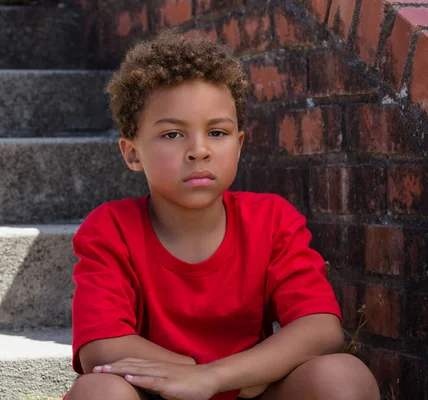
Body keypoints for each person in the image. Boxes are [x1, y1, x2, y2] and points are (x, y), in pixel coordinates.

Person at [63, 31, 380, 400]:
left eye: (216, 132)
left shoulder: (272, 220)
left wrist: (216, 378)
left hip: (250, 391)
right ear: (132, 153)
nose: (199, 150)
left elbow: (321, 327)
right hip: (163, 393)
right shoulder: (110, 229)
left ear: (239, 143)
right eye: (171, 135)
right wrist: (206, 375)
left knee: (343, 376)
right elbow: (101, 348)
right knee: (99, 391)